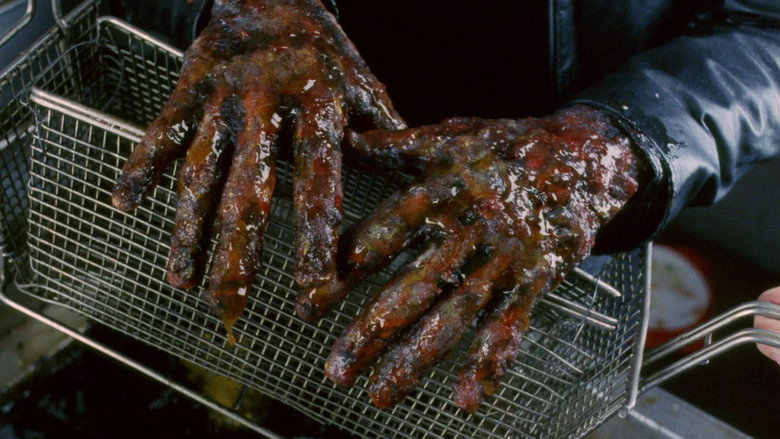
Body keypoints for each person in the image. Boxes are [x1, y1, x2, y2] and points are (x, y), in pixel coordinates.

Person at [109, 0, 780, 409]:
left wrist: (603, 151)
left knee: (439, 399)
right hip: (253, 135)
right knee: (168, 368)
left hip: (527, 222)